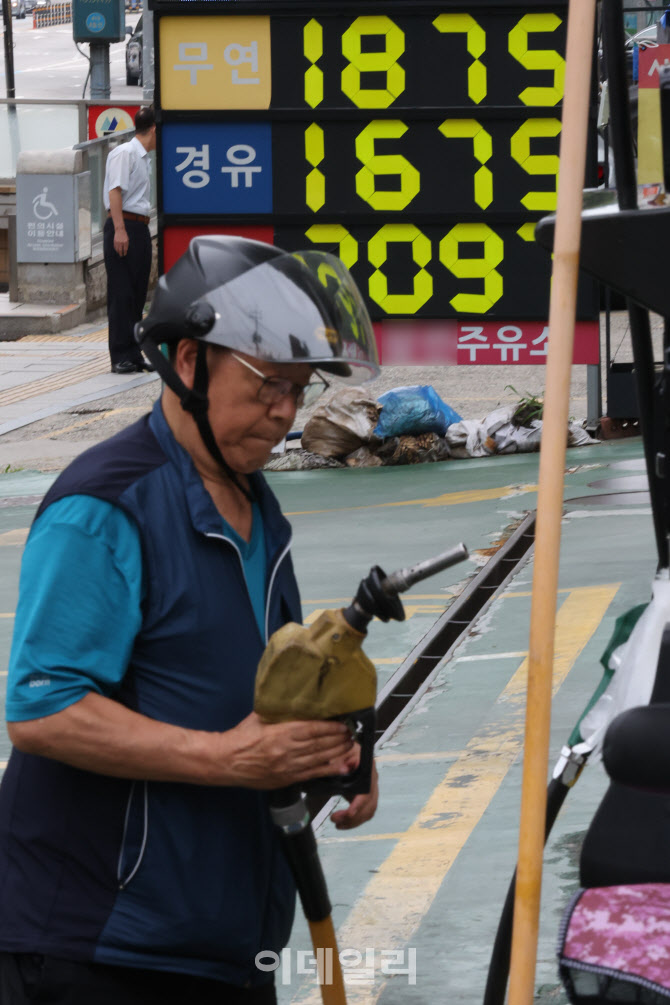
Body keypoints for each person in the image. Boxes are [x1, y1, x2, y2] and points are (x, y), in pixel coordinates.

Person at [0, 235, 381, 1005]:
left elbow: (249, 682)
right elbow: (43, 709)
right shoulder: (106, 508)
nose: (285, 413)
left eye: (299, 390)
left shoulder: (257, 507)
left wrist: (327, 753)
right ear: (186, 365)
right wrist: (228, 758)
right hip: (99, 950)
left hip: (223, 946)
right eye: (268, 383)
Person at [103, 106, 156, 375]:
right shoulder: (125, 153)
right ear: (155, 129)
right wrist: (119, 229)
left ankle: (134, 354)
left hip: (140, 227)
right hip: (123, 225)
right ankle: (120, 355)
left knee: (136, 294)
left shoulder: (143, 157)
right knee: (121, 294)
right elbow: (115, 191)